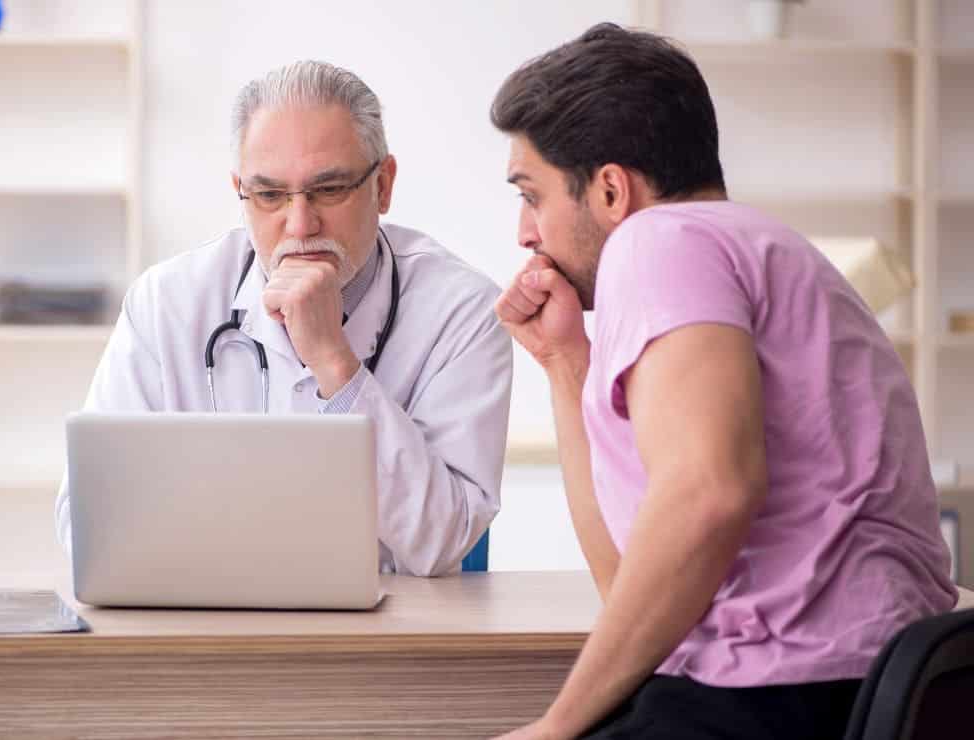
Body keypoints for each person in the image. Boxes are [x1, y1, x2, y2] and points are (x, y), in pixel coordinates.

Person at [489, 24, 957, 739]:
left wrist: (556, 725)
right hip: (833, 686)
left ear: (611, 190)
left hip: (779, 697)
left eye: (532, 195)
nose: (526, 232)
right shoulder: (756, 247)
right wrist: (564, 363)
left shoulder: (661, 242)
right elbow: (631, 590)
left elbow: (712, 493)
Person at [54, 60, 511, 577]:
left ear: (383, 185)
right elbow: (87, 527)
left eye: (330, 189)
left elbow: (445, 541)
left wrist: (333, 361)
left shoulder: (463, 311)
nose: (299, 224)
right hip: (208, 633)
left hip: (390, 643)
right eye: (269, 195)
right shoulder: (167, 303)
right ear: (241, 191)